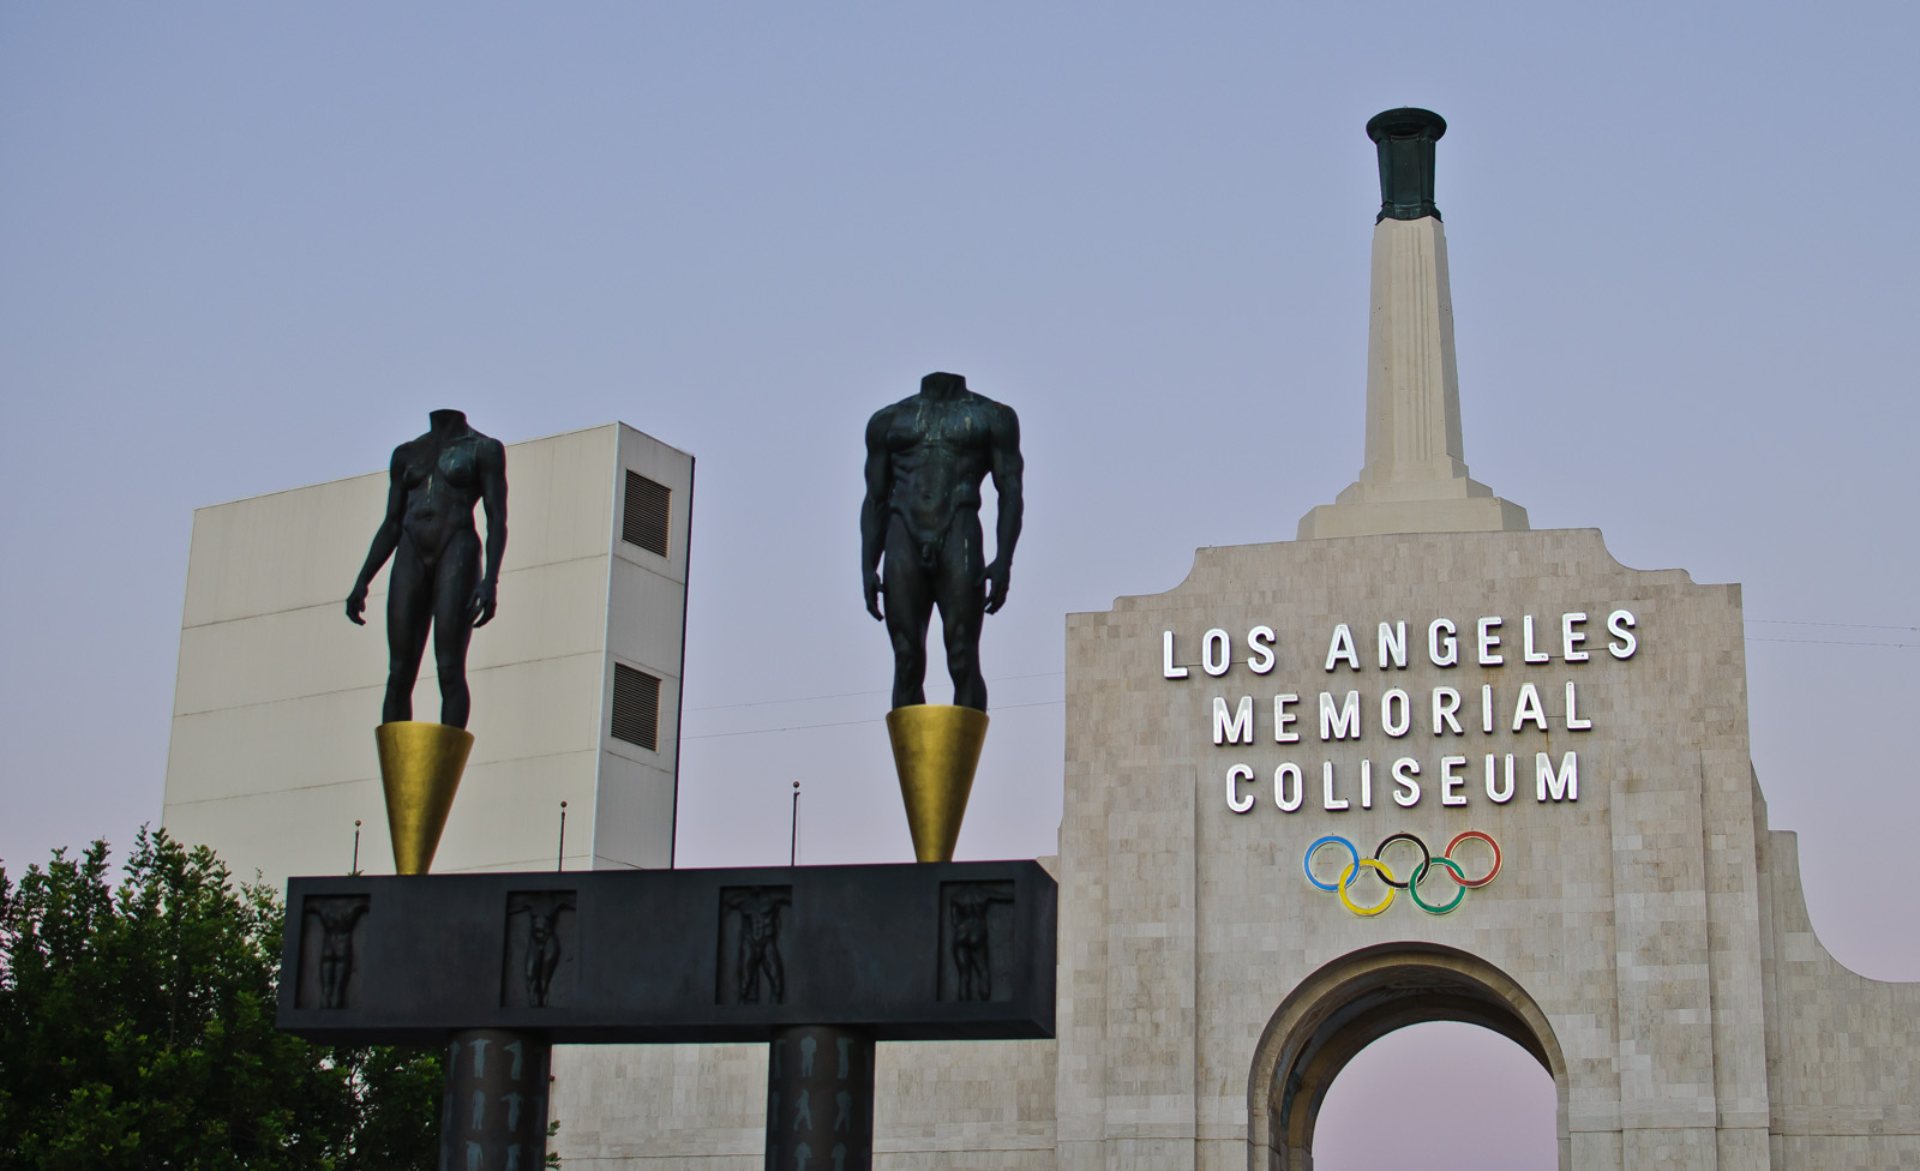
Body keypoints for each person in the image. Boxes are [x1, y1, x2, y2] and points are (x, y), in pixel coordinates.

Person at [860, 372, 1023, 711]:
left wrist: (1004, 560)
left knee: (962, 655)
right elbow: (875, 499)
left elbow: (1010, 491)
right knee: (906, 658)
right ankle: (914, 762)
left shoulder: (992, 416)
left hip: (959, 529)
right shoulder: (888, 421)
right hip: (902, 531)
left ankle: (960, 761)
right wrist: (867, 565)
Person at [346, 409, 507, 728]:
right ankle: (399, 769)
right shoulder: (406, 454)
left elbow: (496, 519)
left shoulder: (484, 448)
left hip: (456, 546)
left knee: (449, 667)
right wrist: (363, 580)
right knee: (399, 672)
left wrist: (490, 580)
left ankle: (445, 767)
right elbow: (391, 522)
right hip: (410, 550)